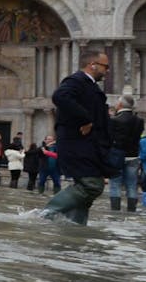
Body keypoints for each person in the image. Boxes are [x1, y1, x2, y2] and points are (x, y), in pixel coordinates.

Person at [41, 51, 112, 225]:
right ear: (92, 64)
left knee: (87, 191)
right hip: (77, 144)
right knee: (92, 184)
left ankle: (76, 227)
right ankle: (45, 214)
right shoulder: (77, 80)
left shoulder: (90, 85)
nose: (108, 71)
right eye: (106, 66)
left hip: (87, 145)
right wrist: (86, 118)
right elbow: (60, 96)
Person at [107, 94, 145, 212]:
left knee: (115, 184)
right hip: (133, 155)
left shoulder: (114, 120)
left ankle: (115, 211)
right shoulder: (139, 120)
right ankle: (131, 210)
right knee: (132, 185)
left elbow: (109, 138)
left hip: (117, 155)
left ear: (120, 105)